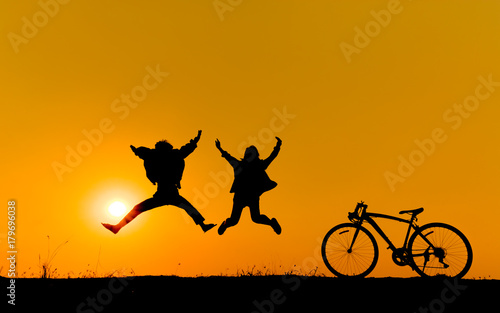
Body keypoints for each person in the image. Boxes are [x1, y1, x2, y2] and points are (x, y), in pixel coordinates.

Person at [102, 130, 216, 234]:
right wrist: (195, 141)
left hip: (165, 194)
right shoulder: (169, 156)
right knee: (188, 207)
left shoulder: (164, 156)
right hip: (168, 193)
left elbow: (147, 153)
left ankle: (117, 227)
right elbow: (183, 150)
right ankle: (202, 225)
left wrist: (137, 151)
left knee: (139, 208)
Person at [215, 137, 282, 235]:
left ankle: (272, 223)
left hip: (249, 196)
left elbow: (272, 157)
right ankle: (225, 224)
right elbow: (229, 158)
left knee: (254, 218)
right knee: (236, 220)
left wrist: (278, 146)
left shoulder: (256, 165)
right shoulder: (243, 165)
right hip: (244, 196)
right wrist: (220, 149)